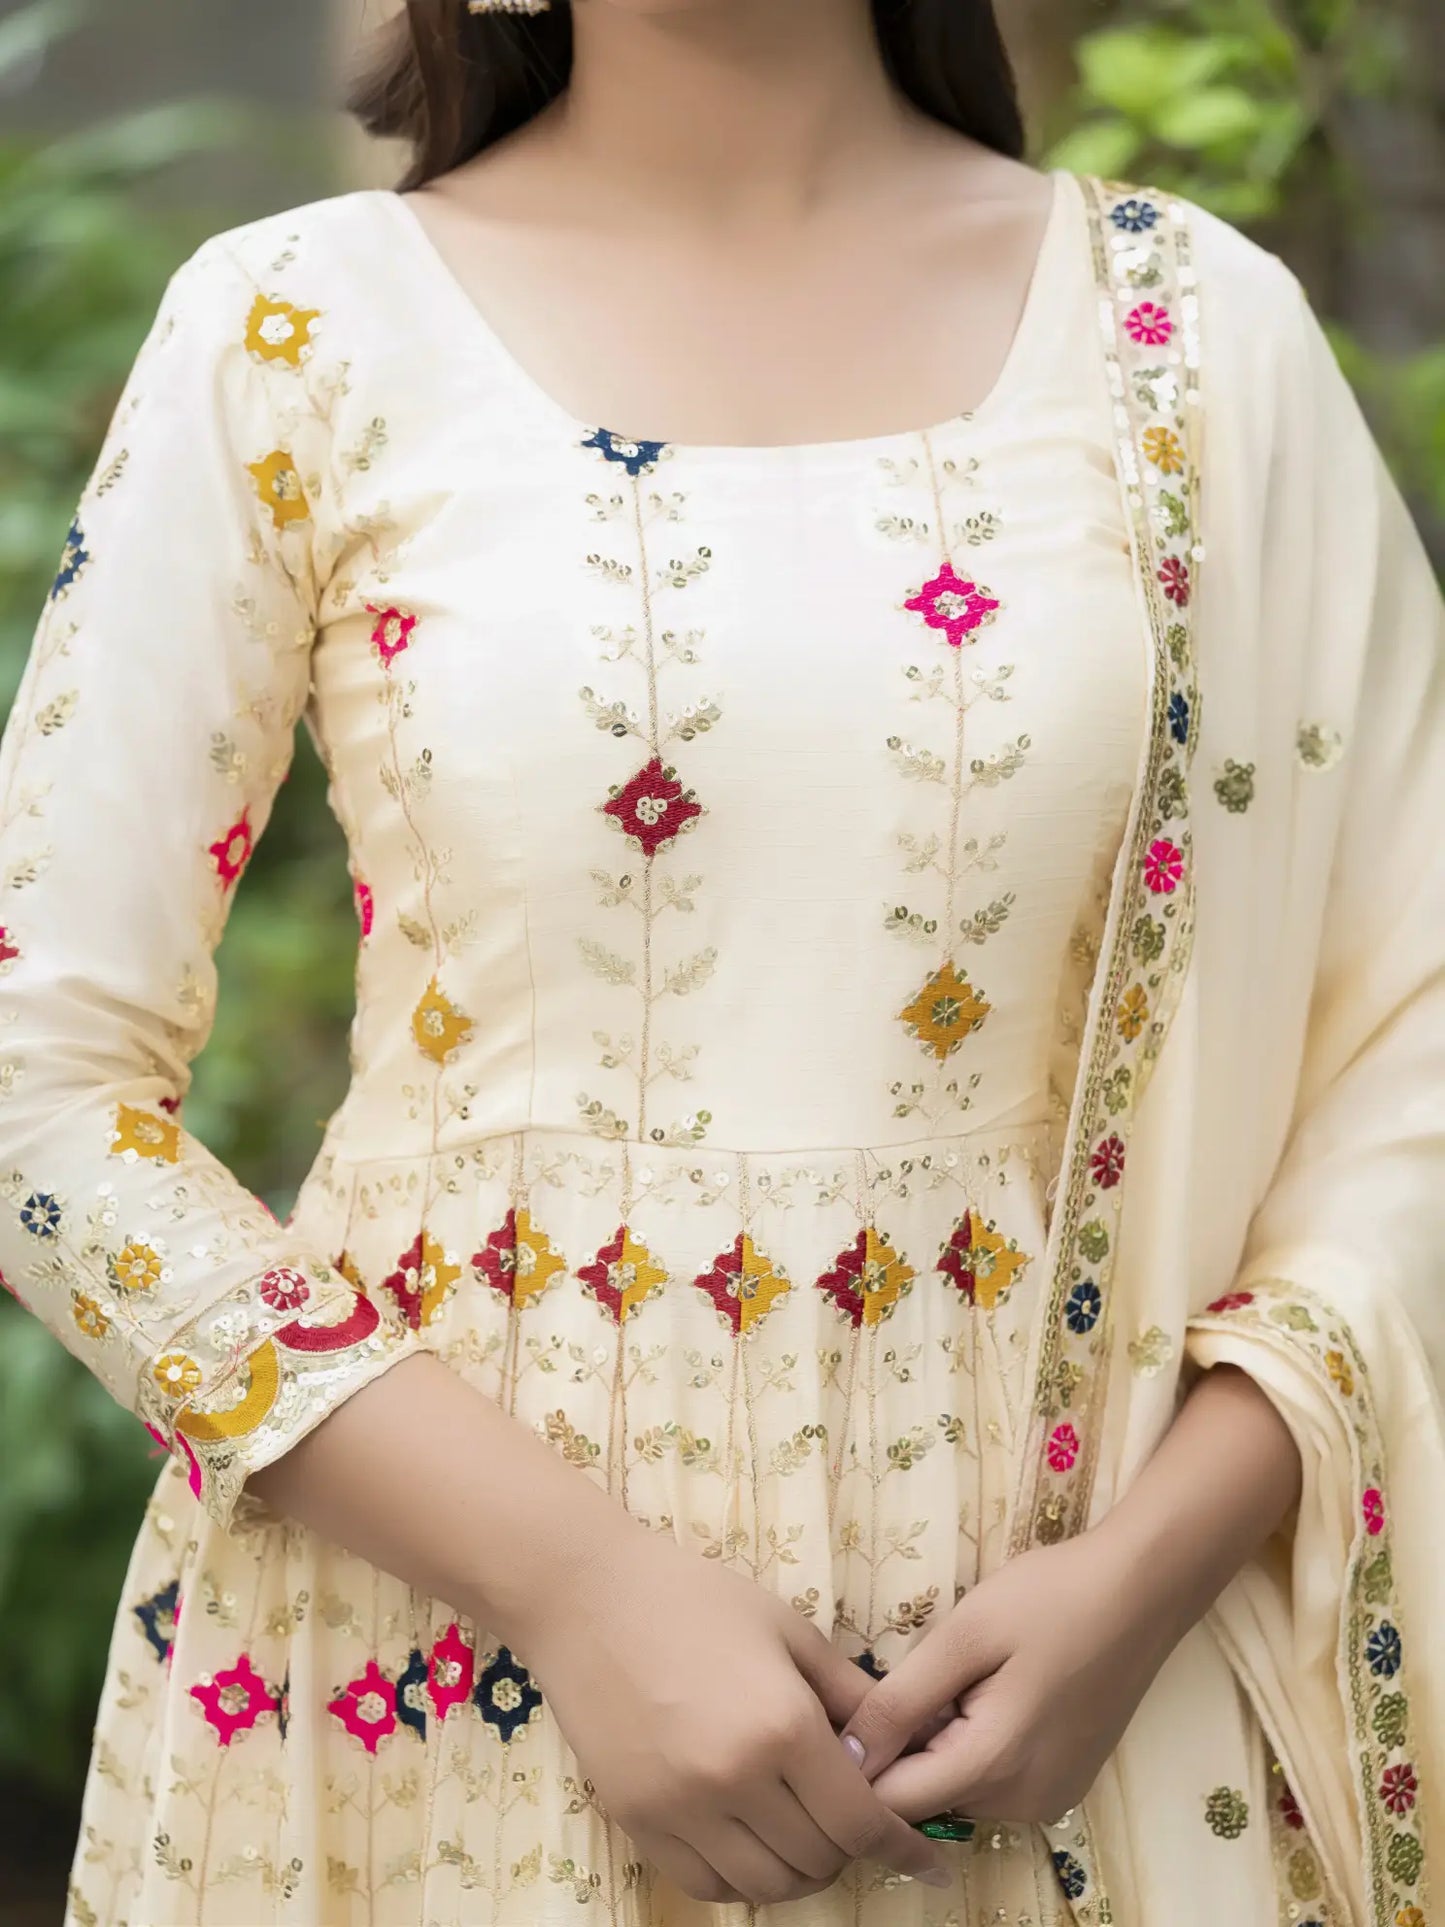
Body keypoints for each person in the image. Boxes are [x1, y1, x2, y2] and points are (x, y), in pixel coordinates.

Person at [4, 1, 1440, 1922]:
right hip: (435, 1668)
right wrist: (574, 1586)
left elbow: (1412, 1034)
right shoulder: (298, 328)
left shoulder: (1195, 336)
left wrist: (1145, 1576)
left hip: (1070, 1671)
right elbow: (41, 1082)